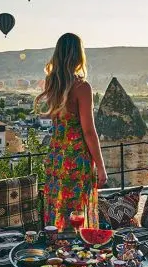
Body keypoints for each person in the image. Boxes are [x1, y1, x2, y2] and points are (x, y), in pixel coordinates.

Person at [35, 33, 107, 231]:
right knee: (76, 211)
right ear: (78, 56)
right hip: (76, 158)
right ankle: (76, 253)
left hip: (56, 155)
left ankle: (57, 250)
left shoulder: (53, 83)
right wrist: (101, 166)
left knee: (57, 205)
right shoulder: (82, 87)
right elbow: (89, 131)